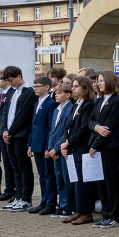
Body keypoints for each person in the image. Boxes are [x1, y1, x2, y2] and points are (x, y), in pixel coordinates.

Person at [87, 72, 119, 227]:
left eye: (102, 81)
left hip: (110, 146)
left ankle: (114, 215)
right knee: (101, 182)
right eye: (98, 81)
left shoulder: (117, 101)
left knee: (111, 181)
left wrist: (95, 145)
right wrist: (96, 127)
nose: (98, 84)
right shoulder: (99, 100)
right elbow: (90, 121)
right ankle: (106, 213)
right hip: (98, 144)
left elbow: (109, 126)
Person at [60, 76, 98, 225]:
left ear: (85, 88)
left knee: (83, 182)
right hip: (72, 148)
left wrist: (68, 142)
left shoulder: (88, 105)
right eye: (73, 86)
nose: (73, 88)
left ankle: (86, 212)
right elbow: (67, 126)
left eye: (76, 86)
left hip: (82, 148)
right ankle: (78, 210)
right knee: (75, 181)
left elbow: (83, 129)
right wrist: (65, 143)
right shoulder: (76, 104)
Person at [0, 66, 37, 212]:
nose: (10, 83)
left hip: (20, 135)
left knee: (24, 167)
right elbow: (5, 114)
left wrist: (10, 132)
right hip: (10, 135)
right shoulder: (12, 93)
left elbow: (22, 116)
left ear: (19, 76)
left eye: (11, 80)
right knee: (15, 167)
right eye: (8, 81)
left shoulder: (29, 93)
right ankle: (18, 195)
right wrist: (4, 130)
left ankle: (26, 199)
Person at [26, 76, 58, 214]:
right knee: (42, 174)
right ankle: (43, 201)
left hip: (45, 144)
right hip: (36, 144)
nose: (35, 89)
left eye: (38, 86)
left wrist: (48, 147)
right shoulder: (37, 103)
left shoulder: (51, 103)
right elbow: (33, 126)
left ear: (47, 87)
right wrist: (29, 145)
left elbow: (51, 127)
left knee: (49, 174)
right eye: (34, 86)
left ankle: (50, 203)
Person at [47, 82, 73, 217]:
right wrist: (50, 147)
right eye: (55, 93)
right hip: (55, 150)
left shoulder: (70, 109)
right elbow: (52, 130)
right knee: (59, 179)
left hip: (63, 148)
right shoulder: (57, 109)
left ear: (67, 95)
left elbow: (65, 131)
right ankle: (62, 204)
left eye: (59, 93)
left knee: (66, 178)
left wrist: (56, 148)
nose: (56, 95)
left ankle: (69, 206)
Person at [0, 71, 15, 203]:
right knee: (7, 163)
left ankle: (12, 189)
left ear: (7, 80)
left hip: (8, 133)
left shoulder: (12, 94)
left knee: (11, 164)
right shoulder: (2, 95)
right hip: (2, 133)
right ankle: (9, 189)